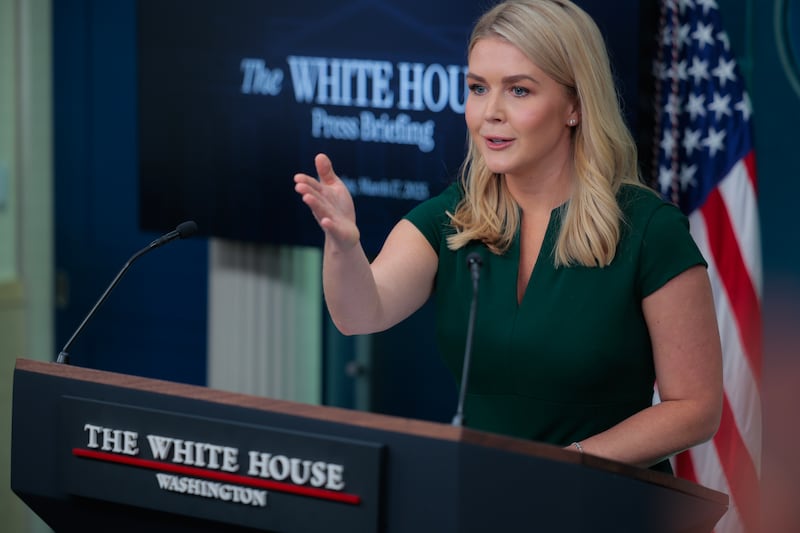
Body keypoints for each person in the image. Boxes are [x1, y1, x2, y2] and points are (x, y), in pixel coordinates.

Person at [293, 0, 722, 473]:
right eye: (478, 88)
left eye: (519, 90)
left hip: (608, 503)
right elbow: (360, 314)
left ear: (575, 106)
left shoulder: (649, 229)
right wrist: (345, 246)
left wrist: (562, 466)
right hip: (481, 498)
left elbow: (695, 408)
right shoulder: (452, 217)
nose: (490, 112)